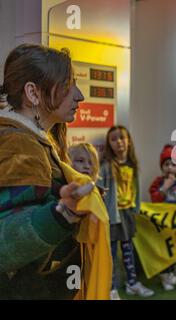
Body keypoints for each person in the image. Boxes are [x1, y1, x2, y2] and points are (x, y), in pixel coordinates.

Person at [0, 44, 88, 299]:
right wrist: (62, 213)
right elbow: (6, 246)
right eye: (68, 85)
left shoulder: (32, 141)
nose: (79, 96)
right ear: (33, 93)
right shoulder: (20, 145)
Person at [99, 125, 154, 300]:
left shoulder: (132, 165)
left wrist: (135, 209)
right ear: (109, 144)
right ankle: (111, 288)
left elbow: (135, 189)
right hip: (112, 216)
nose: (119, 142)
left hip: (127, 214)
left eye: (122, 138)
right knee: (112, 254)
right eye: (113, 139)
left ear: (128, 141)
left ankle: (132, 283)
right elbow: (99, 187)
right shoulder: (107, 166)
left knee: (128, 250)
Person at [149, 144, 176, 290]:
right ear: (162, 166)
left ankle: (168, 275)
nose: (170, 167)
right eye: (166, 164)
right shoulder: (158, 182)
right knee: (164, 250)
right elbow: (154, 198)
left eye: (173, 164)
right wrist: (164, 187)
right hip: (162, 224)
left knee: (174, 250)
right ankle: (164, 273)